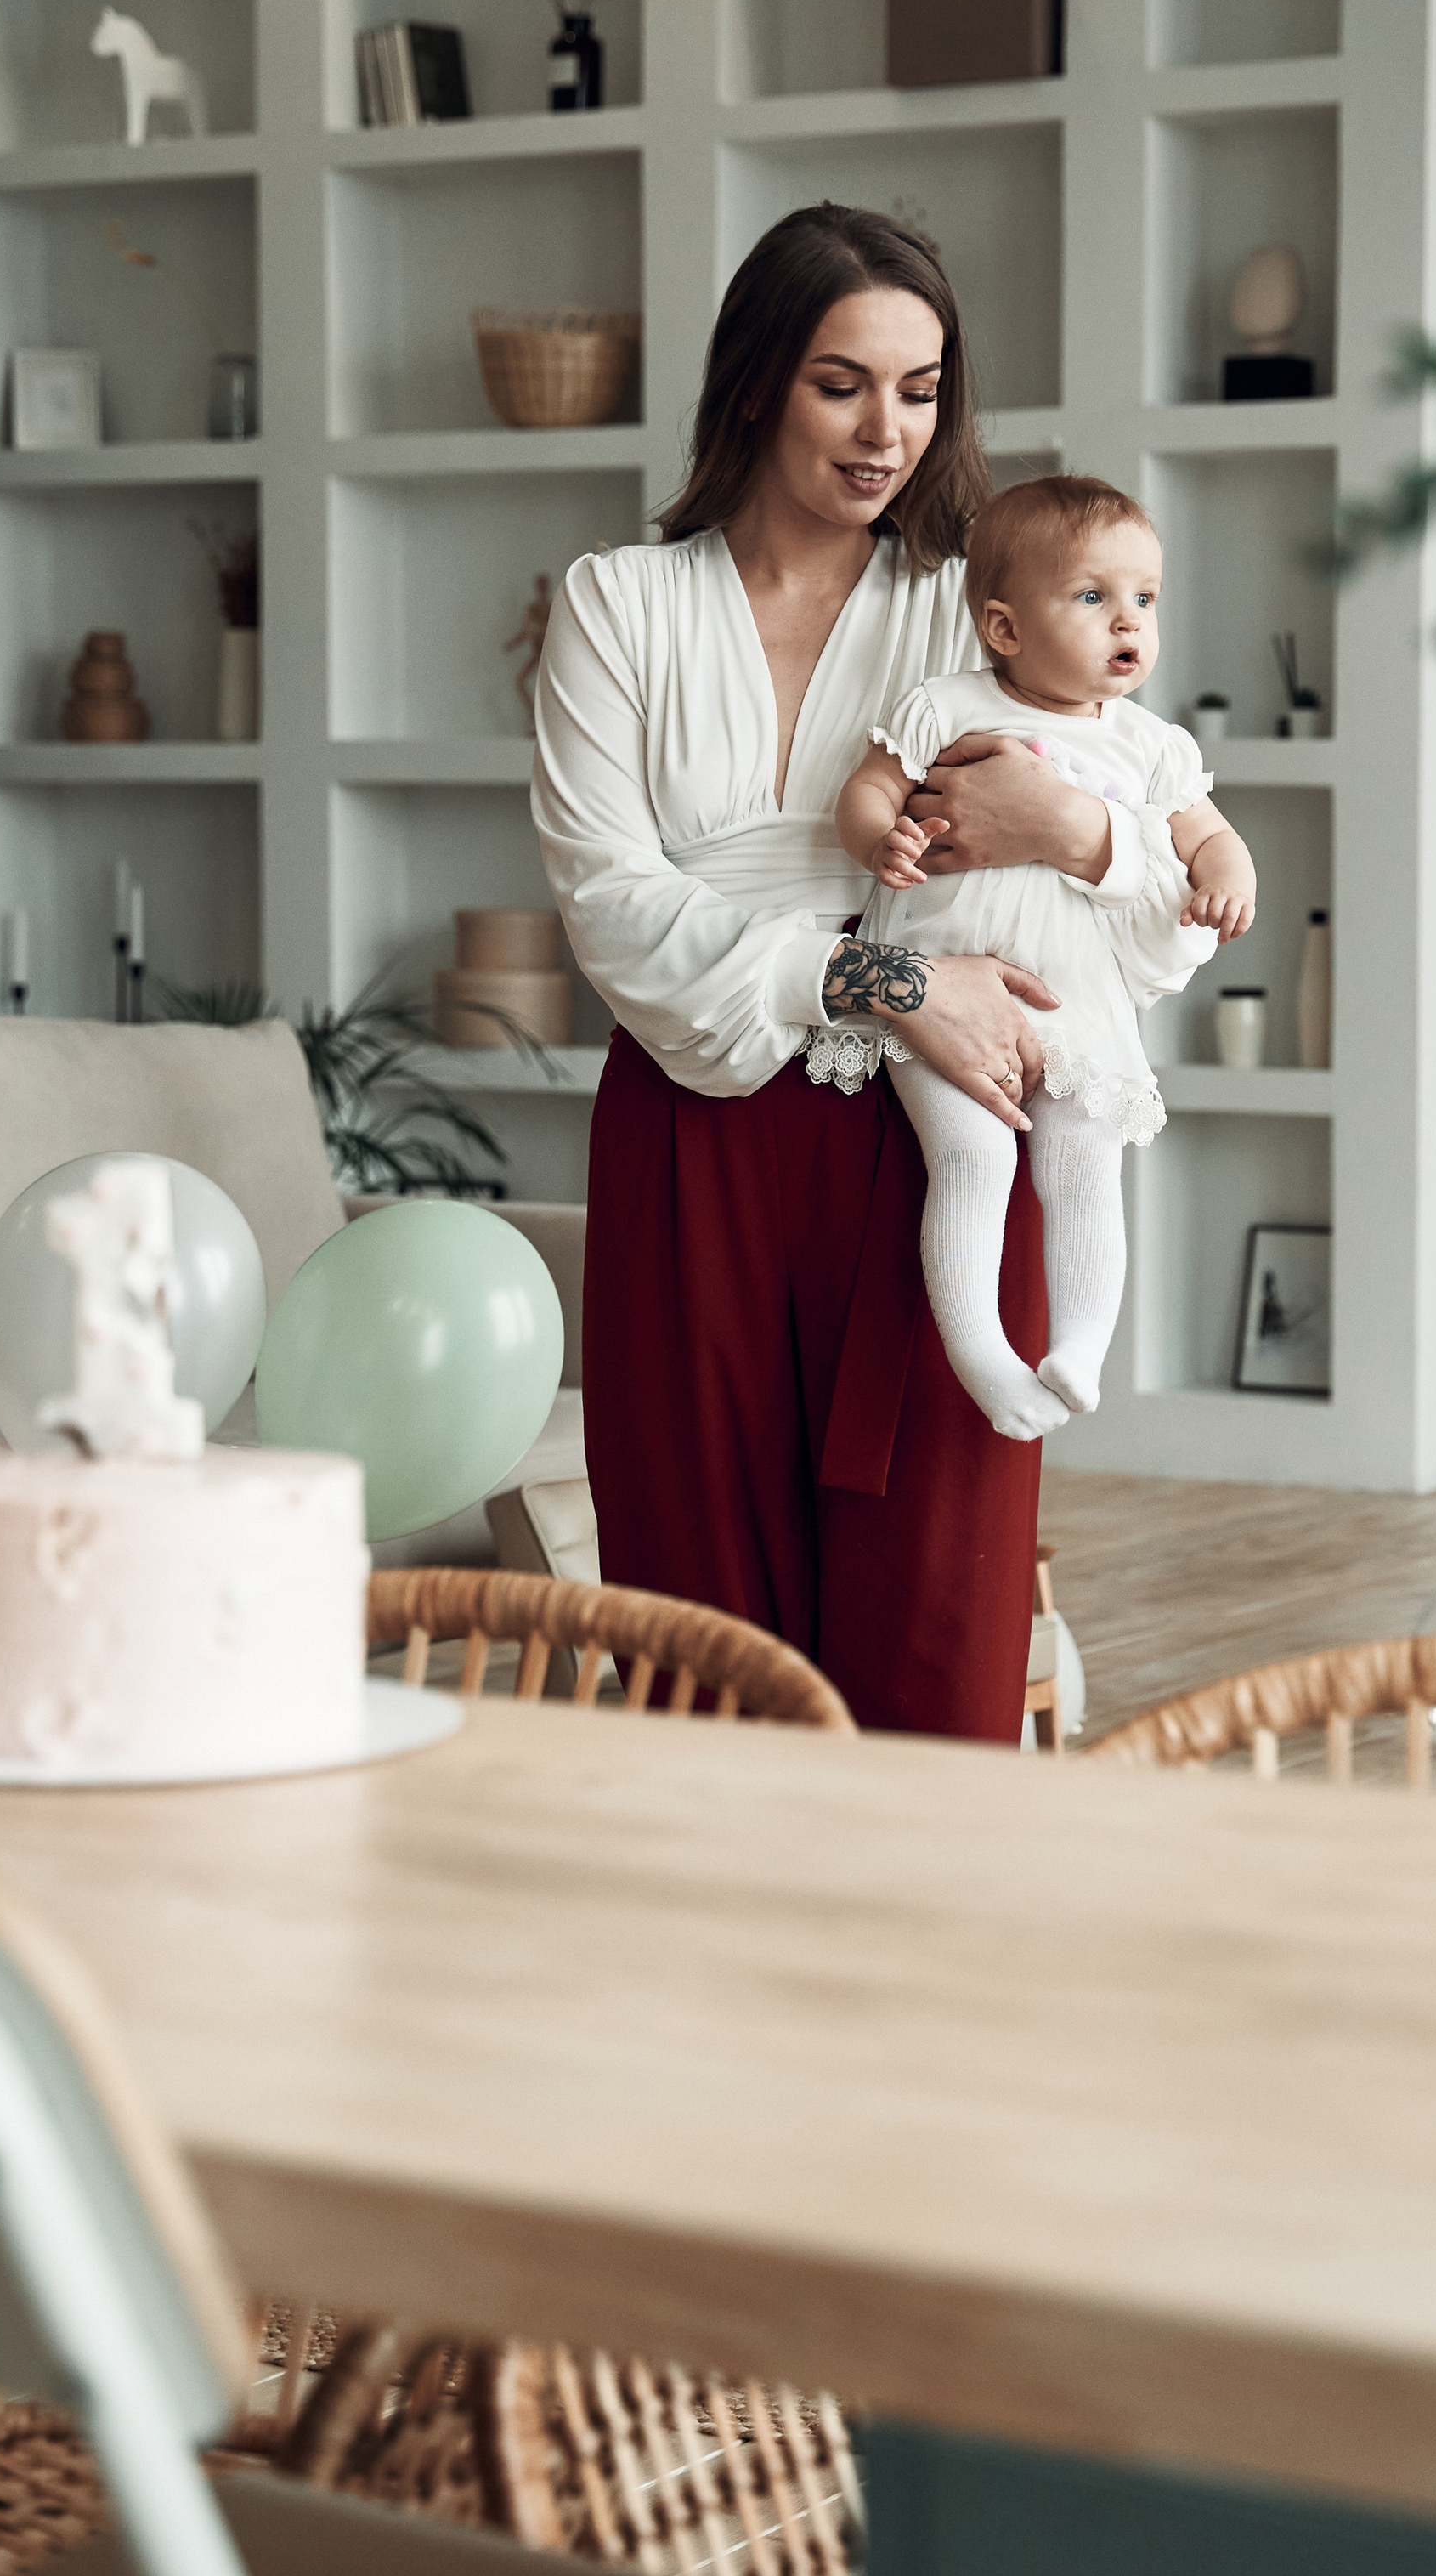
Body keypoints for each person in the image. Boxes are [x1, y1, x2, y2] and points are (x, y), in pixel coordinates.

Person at [532, 205, 1186, 1742]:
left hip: (942, 1132)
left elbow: (1161, 904)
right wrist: (886, 986)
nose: (888, 429)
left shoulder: (988, 608)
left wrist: (1079, 831)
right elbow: (612, 901)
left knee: (937, 1631)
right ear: (759, 380)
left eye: (922, 386)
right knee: (697, 1636)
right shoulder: (615, 602)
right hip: (696, 1139)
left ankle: (921, 1970)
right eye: (843, 381)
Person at [834, 476, 1256, 1441]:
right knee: (973, 1157)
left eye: (1144, 599)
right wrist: (877, 842)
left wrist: (1230, 877)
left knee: (1083, 1157)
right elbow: (866, 791)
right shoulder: (945, 704)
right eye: (1092, 596)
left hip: (1072, 1003)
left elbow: (1211, 838)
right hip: (934, 986)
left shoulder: (1152, 746)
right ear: (1005, 626)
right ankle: (980, 1350)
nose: (1128, 623)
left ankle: (1080, 1343)